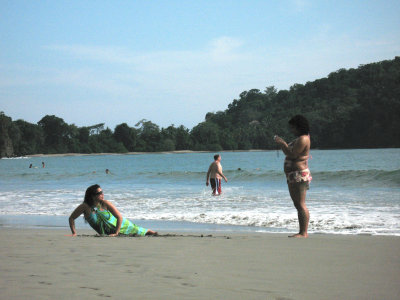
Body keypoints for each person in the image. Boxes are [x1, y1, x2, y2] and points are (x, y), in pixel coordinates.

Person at [69, 184, 158, 237]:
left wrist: (116, 233)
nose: (102, 194)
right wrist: (74, 233)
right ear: (92, 196)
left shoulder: (105, 203)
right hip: (106, 233)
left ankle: (151, 232)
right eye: (99, 193)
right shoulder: (85, 207)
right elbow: (72, 218)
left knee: (137, 230)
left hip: (120, 225)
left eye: (102, 192)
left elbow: (119, 217)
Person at [274, 115, 312, 238]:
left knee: (300, 204)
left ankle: (303, 233)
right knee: (297, 204)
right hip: (293, 174)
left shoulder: (303, 139)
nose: (291, 130)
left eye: (292, 127)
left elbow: (292, 154)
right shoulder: (300, 138)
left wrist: (283, 144)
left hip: (299, 174)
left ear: (298, 127)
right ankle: (302, 231)